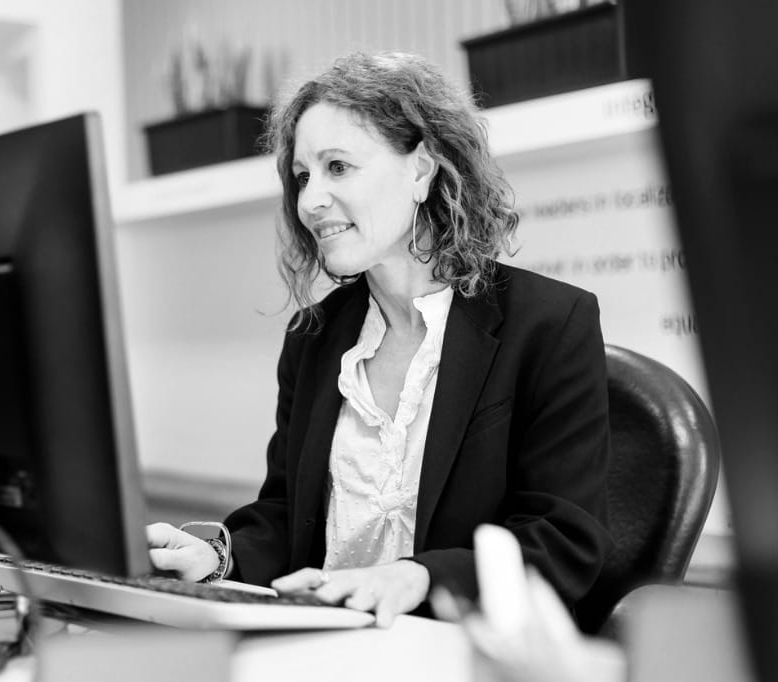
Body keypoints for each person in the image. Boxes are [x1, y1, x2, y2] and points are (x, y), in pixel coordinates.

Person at [146, 50, 613, 627]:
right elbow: (286, 512)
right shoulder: (314, 336)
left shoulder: (549, 322)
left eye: (338, 166)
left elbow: (561, 541)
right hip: (330, 650)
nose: (310, 199)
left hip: (460, 652)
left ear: (421, 171)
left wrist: (417, 575)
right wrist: (219, 558)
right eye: (302, 175)